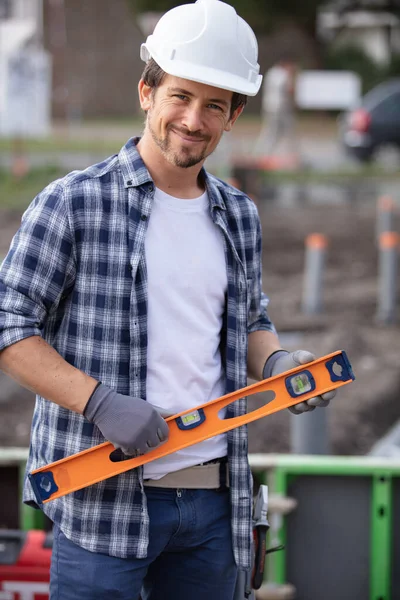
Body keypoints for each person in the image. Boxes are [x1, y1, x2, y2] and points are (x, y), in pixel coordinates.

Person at [0, 1, 334, 598]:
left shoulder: (239, 216)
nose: (193, 119)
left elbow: (250, 319)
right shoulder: (73, 204)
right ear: (147, 92)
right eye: (180, 96)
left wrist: (279, 365)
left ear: (233, 117)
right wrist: (98, 402)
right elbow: (8, 325)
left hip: (213, 508)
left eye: (214, 105)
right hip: (104, 505)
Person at [255, 56, 298, 160]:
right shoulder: (283, 74)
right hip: (280, 108)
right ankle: (263, 154)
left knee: (272, 131)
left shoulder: (271, 72)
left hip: (269, 105)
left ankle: (262, 153)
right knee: (282, 131)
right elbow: (289, 90)